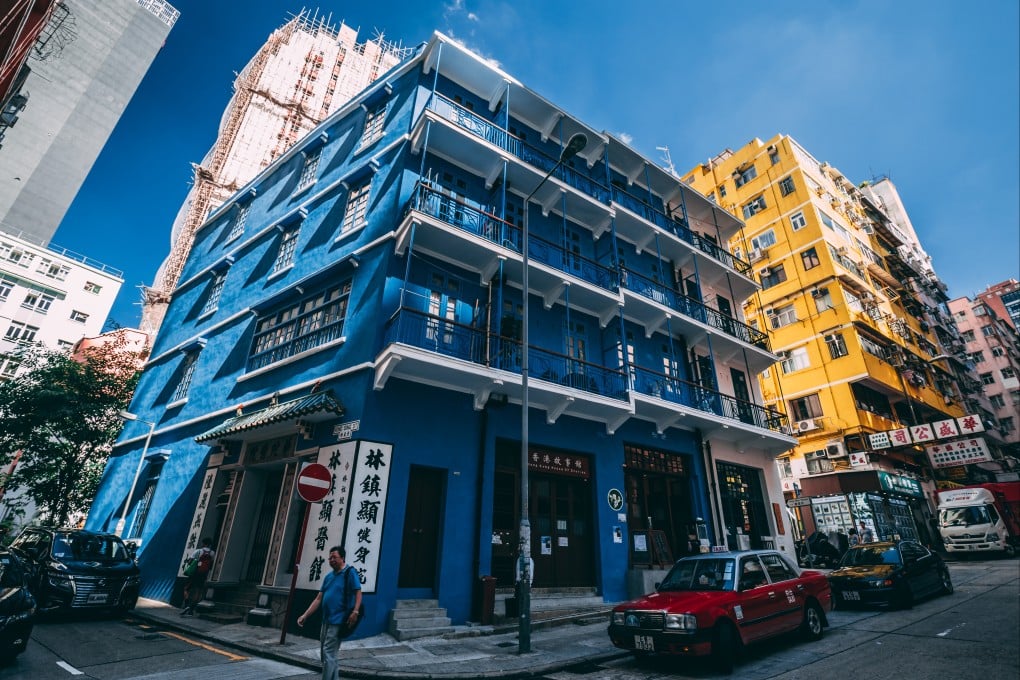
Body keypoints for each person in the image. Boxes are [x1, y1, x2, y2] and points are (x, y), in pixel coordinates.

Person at [297, 546, 362, 680]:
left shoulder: (350, 573)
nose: (331, 560)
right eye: (330, 557)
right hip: (326, 620)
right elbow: (318, 599)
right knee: (327, 654)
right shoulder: (328, 577)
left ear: (342, 558)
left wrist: (355, 611)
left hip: (338, 620)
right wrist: (305, 615)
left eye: (334, 557)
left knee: (328, 653)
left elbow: (358, 592)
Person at [181, 537, 214, 616]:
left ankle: (187, 604)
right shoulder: (212, 553)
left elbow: (190, 562)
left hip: (195, 573)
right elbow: (211, 564)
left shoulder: (198, 551)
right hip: (203, 574)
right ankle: (191, 609)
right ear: (209, 545)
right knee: (198, 591)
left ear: (203, 543)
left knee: (186, 589)